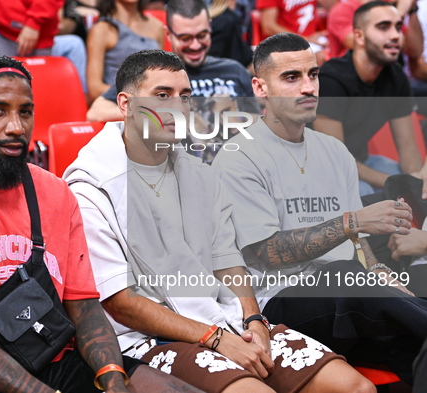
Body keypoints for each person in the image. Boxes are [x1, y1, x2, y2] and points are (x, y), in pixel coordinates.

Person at [65, 48, 375, 393]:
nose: (177, 108)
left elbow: (227, 260)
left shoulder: (200, 174)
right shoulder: (90, 186)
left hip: (223, 319)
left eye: (185, 97)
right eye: (162, 95)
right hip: (149, 339)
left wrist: (254, 319)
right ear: (125, 105)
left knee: (356, 388)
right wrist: (214, 339)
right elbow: (120, 302)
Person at [0, 55, 203, 393]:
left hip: (52, 354)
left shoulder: (55, 192)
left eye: (25, 112)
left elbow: (84, 307)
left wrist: (113, 378)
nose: (16, 127)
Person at [212, 32, 427, 383]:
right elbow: (269, 252)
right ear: (260, 88)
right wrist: (352, 221)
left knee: (412, 323)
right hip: (281, 300)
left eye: (313, 75)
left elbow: (359, 247)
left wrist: (384, 275)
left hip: (350, 297)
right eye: (291, 77)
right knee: (343, 274)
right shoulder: (239, 158)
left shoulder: (334, 151)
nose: (309, 87)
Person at [87, 0, 258, 163]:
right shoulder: (155, 73)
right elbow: (96, 111)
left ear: (210, 27)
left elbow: (256, 123)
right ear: (168, 34)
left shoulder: (235, 71)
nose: (196, 45)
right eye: (185, 38)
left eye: (202, 35)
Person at [314, 1, 423, 196]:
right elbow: (336, 161)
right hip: (320, 169)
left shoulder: (396, 77)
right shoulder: (331, 81)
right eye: (383, 27)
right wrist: (395, 183)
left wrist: (416, 181)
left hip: (362, 159)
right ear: (359, 36)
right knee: (363, 193)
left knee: (416, 185)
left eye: (398, 27)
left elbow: (408, 150)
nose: (395, 35)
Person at [85, 0, 163, 102]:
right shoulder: (102, 29)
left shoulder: (157, 27)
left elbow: (163, 75)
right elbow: (94, 89)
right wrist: (137, 96)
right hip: (117, 104)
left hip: (154, 103)